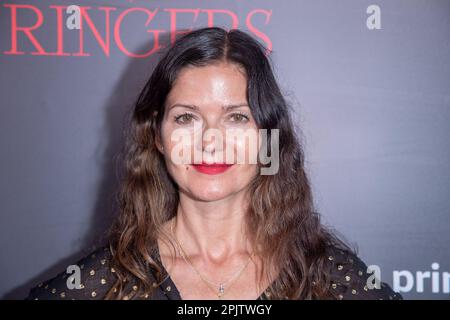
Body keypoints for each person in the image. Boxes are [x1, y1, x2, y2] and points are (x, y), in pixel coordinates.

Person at [26, 27, 402, 300]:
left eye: (237, 118)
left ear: (267, 138)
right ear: (157, 136)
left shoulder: (330, 279)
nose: (209, 140)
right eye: (186, 117)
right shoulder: (101, 283)